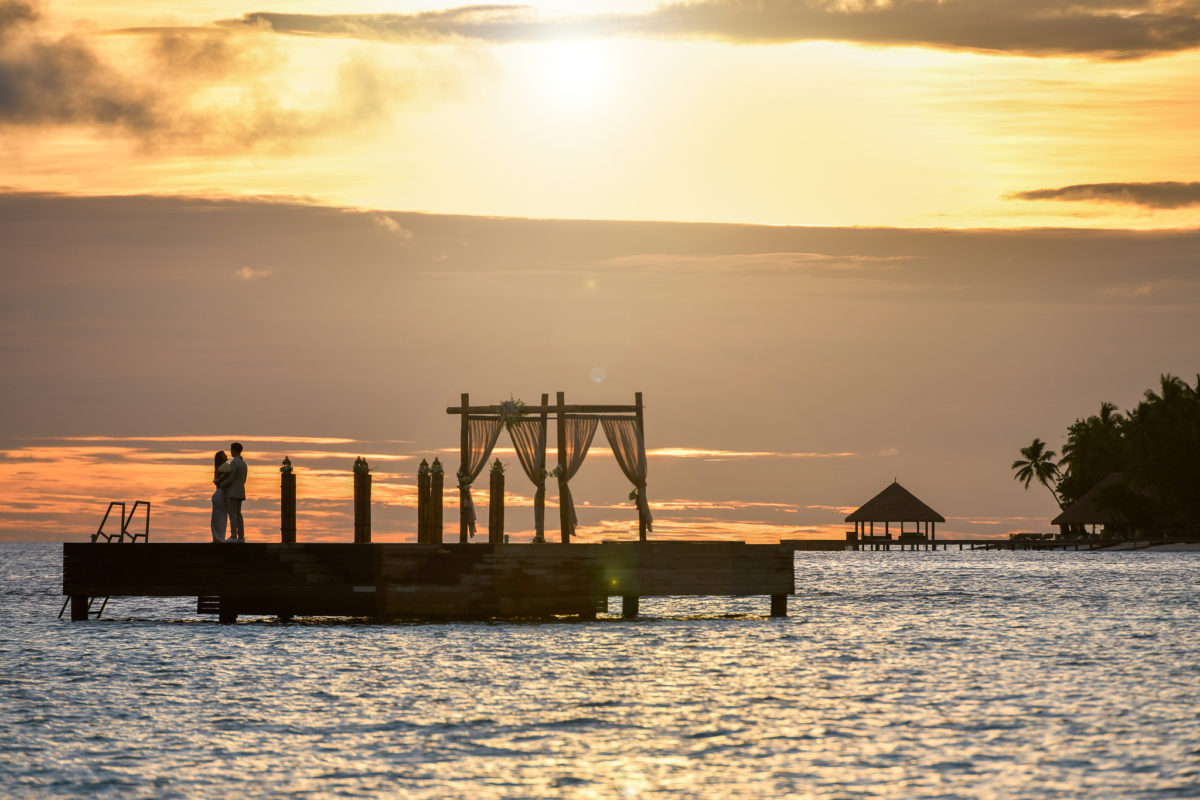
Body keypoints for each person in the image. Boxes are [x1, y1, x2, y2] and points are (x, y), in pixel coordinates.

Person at [218, 442, 248, 542]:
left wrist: (221, 483)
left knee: (232, 513)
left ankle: (234, 535)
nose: (230, 451)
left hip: (233, 491)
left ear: (235, 450)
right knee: (238, 514)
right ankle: (241, 536)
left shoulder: (235, 462)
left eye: (231, 449)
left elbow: (231, 478)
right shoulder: (243, 463)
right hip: (240, 491)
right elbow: (243, 479)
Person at [210, 450, 232, 542]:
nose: (226, 456)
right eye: (224, 455)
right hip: (221, 494)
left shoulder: (223, 467)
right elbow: (218, 481)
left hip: (220, 494)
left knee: (219, 517)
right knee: (219, 517)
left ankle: (218, 537)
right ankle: (218, 538)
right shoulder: (224, 468)